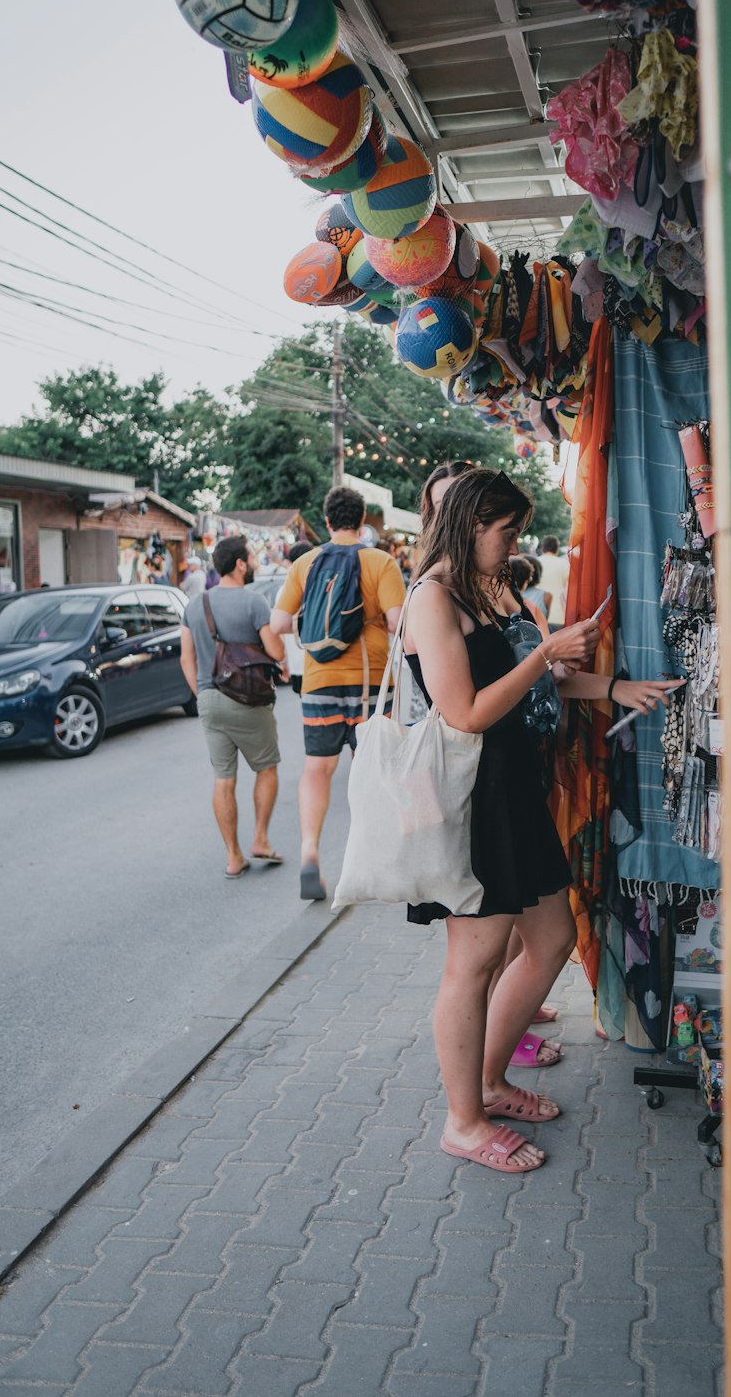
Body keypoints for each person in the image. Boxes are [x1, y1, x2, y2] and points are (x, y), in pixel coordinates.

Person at [403, 467, 607, 1173]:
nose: (515, 542)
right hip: (470, 801)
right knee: (475, 961)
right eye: (506, 530)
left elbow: (526, 683)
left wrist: (599, 681)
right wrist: (546, 653)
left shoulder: (487, 590)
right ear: (468, 523)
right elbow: (465, 712)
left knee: (551, 939)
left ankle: (490, 1081)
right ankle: (463, 1120)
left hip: (513, 789)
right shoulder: (432, 598)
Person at [271, 487, 406, 903]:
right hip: (372, 682)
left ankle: (310, 851)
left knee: (317, 769)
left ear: (327, 521)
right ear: (361, 519)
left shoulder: (306, 563)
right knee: (372, 772)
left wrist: (318, 628)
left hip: (319, 683)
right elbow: (399, 622)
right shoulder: (380, 561)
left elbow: (278, 623)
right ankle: (373, 865)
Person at [180, 536, 287, 878]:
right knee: (266, 769)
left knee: (223, 779)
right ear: (240, 564)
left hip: (209, 699)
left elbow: (187, 657)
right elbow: (277, 652)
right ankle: (260, 840)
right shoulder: (253, 602)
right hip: (248, 699)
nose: (254, 562)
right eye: (251, 557)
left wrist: (202, 694)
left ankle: (233, 857)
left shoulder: (194, 605)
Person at [283, 540, 312, 695]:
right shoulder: (318, 584)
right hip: (315, 661)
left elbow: (280, 627)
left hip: (297, 663)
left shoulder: (286, 587)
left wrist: (284, 661)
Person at [537, 535, 571, 629]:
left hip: (537, 615)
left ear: (543, 548)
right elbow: (570, 589)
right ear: (557, 549)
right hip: (559, 616)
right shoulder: (564, 564)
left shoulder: (535, 563)